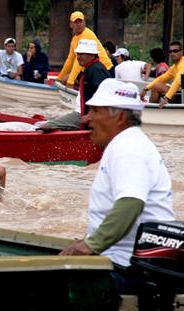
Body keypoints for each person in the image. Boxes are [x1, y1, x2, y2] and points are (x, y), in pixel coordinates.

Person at [59, 79, 176, 294]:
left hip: (126, 269)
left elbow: (131, 203)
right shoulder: (125, 144)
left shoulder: (128, 148)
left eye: (95, 111)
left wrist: (90, 246)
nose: (86, 119)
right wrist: (89, 239)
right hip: (122, 260)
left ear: (120, 117)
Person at [40, 39, 110, 130]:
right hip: (84, 113)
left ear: (92, 55)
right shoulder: (91, 68)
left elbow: (102, 98)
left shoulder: (96, 70)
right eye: (78, 54)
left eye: (82, 54)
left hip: (85, 115)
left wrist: (90, 116)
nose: (79, 57)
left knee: (45, 127)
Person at [57, 11, 113, 86]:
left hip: (103, 69)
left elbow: (78, 62)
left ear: (84, 23)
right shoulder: (74, 39)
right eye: (75, 22)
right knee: (64, 79)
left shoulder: (87, 34)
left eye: (80, 21)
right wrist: (59, 79)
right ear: (71, 25)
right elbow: (70, 60)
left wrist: (70, 82)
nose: (78, 24)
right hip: (90, 67)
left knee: (67, 79)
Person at [140, 41, 184, 107]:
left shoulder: (183, 63)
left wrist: (167, 98)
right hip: (180, 93)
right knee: (156, 85)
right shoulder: (174, 67)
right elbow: (161, 78)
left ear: (182, 52)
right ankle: (153, 107)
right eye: (170, 51)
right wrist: (145, 89)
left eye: (175, 51)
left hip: (181, 95)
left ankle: (152, 109)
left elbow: (178, 81)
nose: (172, 53)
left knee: (156, 87)